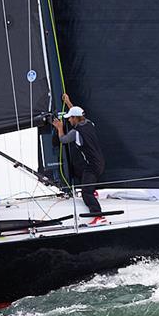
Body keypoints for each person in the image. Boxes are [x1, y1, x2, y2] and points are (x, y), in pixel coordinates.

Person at [52, 93, 106, 224]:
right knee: (78, 169)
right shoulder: (89, 123)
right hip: (99, 162)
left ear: (75, 118)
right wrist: (69, 102)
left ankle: (99, 216)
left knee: (85, 193)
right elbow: (78, 113)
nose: (69, 120)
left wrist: (60, 128)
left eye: (70, 118)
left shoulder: (75, 133)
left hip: (92, 166)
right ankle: (92, 189)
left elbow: (63, 140)